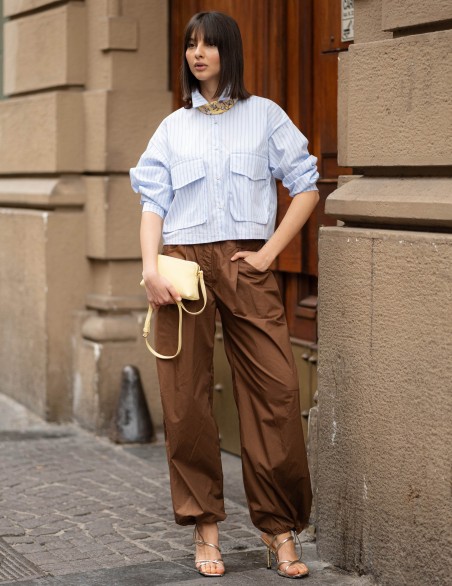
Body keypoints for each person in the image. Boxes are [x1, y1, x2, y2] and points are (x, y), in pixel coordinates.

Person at [130, 11, 319, 579]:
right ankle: (205, 528)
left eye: (208, 44)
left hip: (246, 263)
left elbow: (307, 188)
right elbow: (153, 203)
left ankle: (279, 528)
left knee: (277, 393)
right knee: (185, 399)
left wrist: (268, 254)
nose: (197, 53)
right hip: (182, 270)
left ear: (228, 51)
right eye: (191, 44)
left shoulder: (265, 117)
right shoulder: (173, 128)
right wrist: (150, 269)